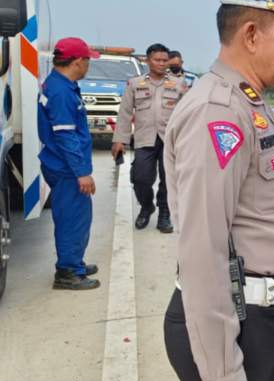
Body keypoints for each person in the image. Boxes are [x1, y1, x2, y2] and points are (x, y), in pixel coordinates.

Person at [162, 0, 274, 381]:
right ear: (251, 35)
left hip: (267, 322)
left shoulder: (249, 102)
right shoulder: (217, 112)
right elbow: (203, 252)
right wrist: (223, 377)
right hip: (239, 329)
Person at [37, 37, 101, 290]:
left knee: (77, 217)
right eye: (87, 61)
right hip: (67, 168)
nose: (88, 66)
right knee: (72, 220)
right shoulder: (62, 92)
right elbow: (65, 135)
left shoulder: (60, 84)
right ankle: (68, 272)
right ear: (77, 62)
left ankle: (75, 262)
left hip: (61, 164)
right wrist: (82, 172)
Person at [111, 43, 185, 233]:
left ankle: (164, 214)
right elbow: (125, 113)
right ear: (147, 61)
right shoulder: (135, 84)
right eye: (157, 60)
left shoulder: (178, 84)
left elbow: (187, 113)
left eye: (164, 60)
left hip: (170, 140)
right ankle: (146, 206)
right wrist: (119, 140)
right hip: (145, 138)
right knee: (140, 178)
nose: (161, 63)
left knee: (169, 179)